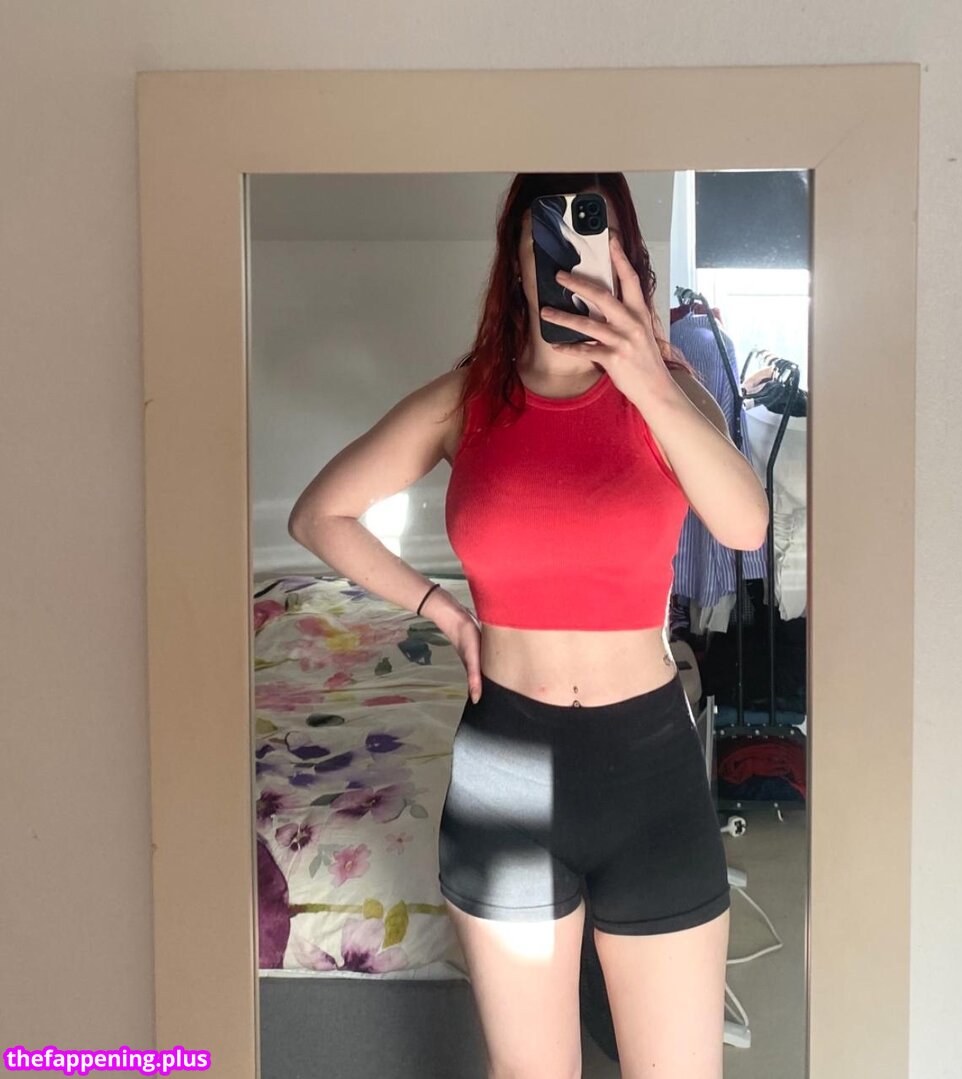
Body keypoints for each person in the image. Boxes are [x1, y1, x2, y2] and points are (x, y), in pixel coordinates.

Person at [288, 173, 770, 1079]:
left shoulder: (670, 395)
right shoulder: (466, 401)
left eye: (592, 235)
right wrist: (438, 607)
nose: (567, 260)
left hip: (651, 774)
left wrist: (650, 378)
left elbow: (746, 525)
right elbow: (320, 515)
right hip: (503, 771)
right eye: (546, 236)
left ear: (624, 257)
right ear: (515, 259)